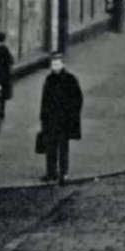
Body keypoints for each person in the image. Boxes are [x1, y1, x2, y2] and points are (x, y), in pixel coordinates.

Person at [38, 53, 83, 185]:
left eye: (57, 64)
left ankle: (63, 173)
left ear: (63, 65)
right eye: (53, 64)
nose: (55, 67)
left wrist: (72, 116)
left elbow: (77, 99)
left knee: (63, 149)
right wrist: (43, 117)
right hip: (50, 120)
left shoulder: (70, 79)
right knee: (50, 148)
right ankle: (51, 172)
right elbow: (44, 100)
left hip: (64, 121)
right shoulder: (49, 79)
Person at [0, 32, 14, 121]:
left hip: (0, 77)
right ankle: (1, 113)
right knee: (2, 97)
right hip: (5, 77)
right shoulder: (5, 49)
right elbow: (11, 61)